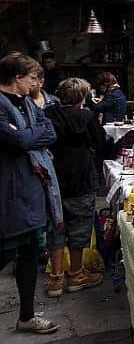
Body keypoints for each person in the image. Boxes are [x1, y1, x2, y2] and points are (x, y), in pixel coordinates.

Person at [0, 53, 60, 334]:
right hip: (7, 192)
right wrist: (26, 137)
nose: (37, 83)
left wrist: (26, 137)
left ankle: (26, 316)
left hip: (32, 191)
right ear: (17, 78)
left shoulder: (26, 102)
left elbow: (49, 131)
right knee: (4, 252)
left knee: (28, 254)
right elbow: (16, 140)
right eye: (33, 77)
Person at [45, 78, 106, 297]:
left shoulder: (49, 115)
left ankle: (56, 279)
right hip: (81, 176)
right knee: (79, 227)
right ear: (83, 96)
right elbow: (100, 142)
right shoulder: (86, 116)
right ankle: (76, 274)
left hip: (54, 176)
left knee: (56, 226)